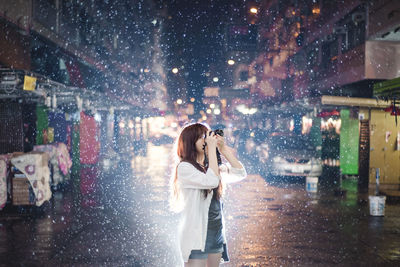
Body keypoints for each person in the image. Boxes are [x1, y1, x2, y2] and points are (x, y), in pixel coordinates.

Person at [170, 122, 247, 266]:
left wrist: (223, 149)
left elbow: (240, 173)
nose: (207, 140)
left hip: (215, 234)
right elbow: (211, 181)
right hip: (196, 236)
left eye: (207, 136)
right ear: (190, 143)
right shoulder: (185, 168)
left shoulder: (210, 168)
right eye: (202, 137)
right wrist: (212, 149)